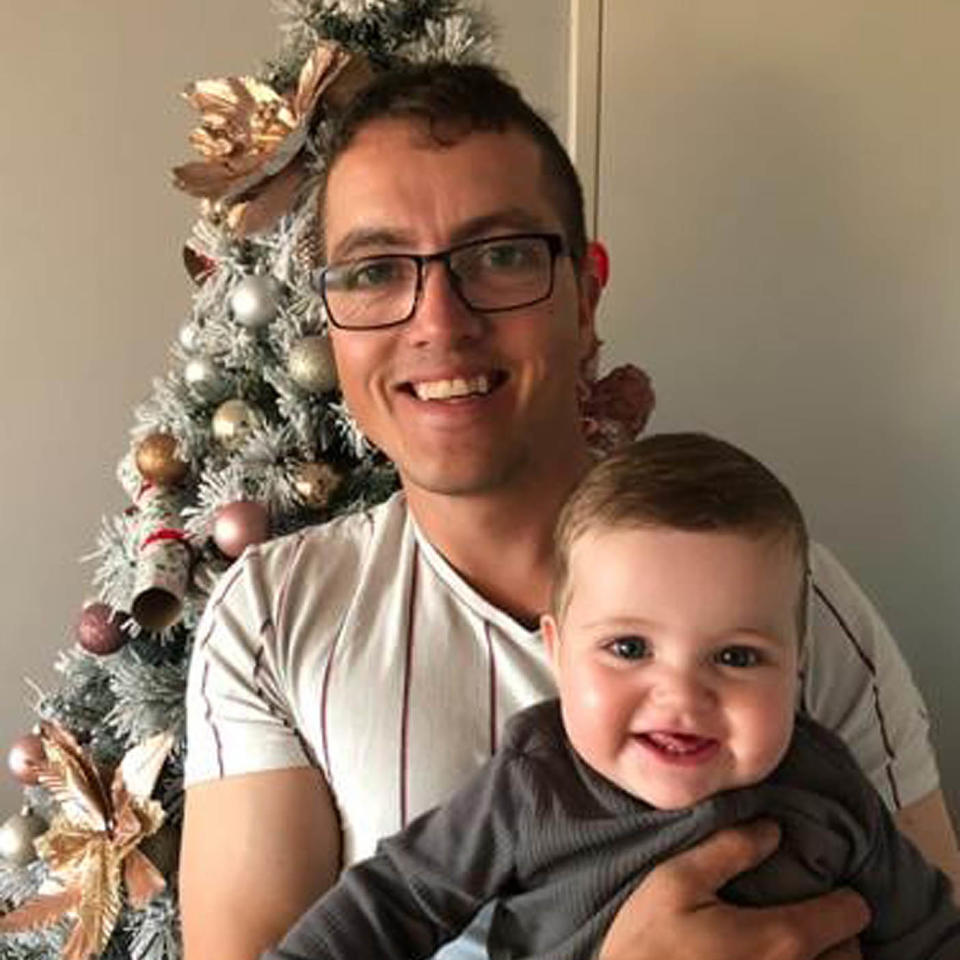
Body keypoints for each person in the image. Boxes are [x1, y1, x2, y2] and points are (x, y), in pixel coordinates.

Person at [180, 62, 960, 960]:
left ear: (586, 296)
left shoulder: (797, 599)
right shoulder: (274, 619)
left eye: (501, 255)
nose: (439, 321)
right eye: (374, 270)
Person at [261, 432, 960, 960]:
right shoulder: (534, 785)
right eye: (629, 649)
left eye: (738, 657)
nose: (682, 695)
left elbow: (932, 935)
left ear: (797, 669)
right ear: (558, 652)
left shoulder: (827, 786)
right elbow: (396, 900)